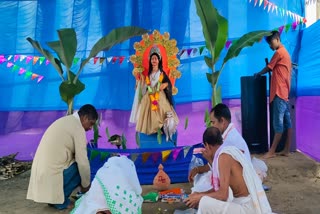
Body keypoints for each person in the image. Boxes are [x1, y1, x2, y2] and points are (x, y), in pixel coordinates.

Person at [184, 127, 272, 214]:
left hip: (247, 208)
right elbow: (218, 190)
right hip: (241, 203)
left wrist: (200, 197)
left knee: (204, 203)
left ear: (206, 145)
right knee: (202, 199)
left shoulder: (223, 156)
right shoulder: (224, 152)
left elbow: (223, 195)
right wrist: (198, 194)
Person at [27, 104, 98, 210]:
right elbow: (82, 162)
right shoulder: (78, 128)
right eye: (91, 123)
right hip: (50, 173)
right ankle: (61, 202)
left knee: (77, 164)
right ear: (84, 118)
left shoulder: (66, 121)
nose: (90, 128)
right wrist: (86, 186)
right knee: (81, 168)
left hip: (42, 172)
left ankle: (54, 200)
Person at [188, 103, 251, 183]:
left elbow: (220, 171)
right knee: (202, 178)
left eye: (213, 122)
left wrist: (208, 159)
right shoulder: (229, 135)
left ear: (222, 121)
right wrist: (198, 169)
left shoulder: (229, 140)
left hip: (240, 181)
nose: (211, 126)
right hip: (237, 177)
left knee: (204, 183)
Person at [255, 30, 292, 159]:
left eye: (270, 43)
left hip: (278, 92)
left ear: (277, 39)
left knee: (278, 124)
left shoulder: (279, 53)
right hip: (285, 93)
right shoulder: (286, 53)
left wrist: (258, 73)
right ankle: (286, 149)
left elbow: (269, 67)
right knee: (288, 123)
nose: (270, 46)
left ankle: (272, 151)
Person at [135, 45, 179, 135]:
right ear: (150, 60)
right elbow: (146, 87)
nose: (154, 60)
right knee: (145, 103)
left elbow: (168, 84)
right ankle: (152, 128)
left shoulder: (162, 73)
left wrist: (165, 84)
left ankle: (163, 126)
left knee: (162, 106)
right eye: (152, 59)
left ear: (159, 60)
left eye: (156, 58)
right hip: (150, 95)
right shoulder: (148, 74)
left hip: (160, 94)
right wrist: (141, 82)